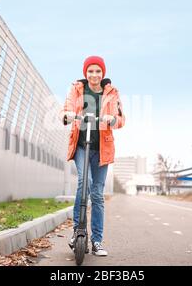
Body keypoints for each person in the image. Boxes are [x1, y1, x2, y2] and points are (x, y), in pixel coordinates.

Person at [60, 55, 125, 256]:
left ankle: (97, 241)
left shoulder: (112, 93)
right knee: (84, 181)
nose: (94, 75)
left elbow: (121, 118)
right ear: (85, 73)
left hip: (102, 148)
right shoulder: (77, 89)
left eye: (98, 71)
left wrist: (112, 119)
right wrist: (67, 115)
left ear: (102, 73)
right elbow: (67, 109)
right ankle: (77, 231)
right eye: (91, 71)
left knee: (97, 194)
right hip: (81, 145)